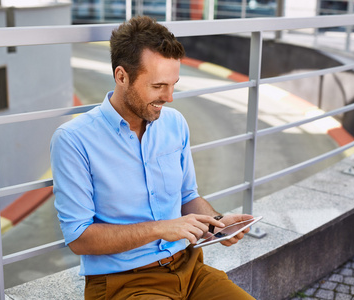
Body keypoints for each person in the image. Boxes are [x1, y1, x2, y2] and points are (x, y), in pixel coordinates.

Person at [50, 16, 255, 300]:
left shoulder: (175, 123)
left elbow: (187, 196)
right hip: (123, 282)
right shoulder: (73, 140)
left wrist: (216, 224)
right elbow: (79, 238)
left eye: (173, 84)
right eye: (158, 86)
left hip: (189, 269)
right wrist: (162, 228)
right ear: (122, 76)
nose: (169, 97)